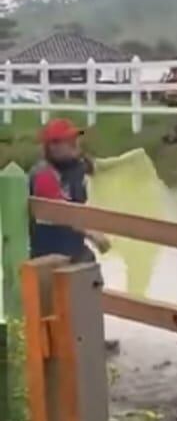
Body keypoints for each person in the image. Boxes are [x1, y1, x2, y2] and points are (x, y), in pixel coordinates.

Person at [29, 118, 118, 351]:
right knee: (58, 299)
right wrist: (93, 235)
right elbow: (61, 211)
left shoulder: (76, 167)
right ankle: (65, 345)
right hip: (49, 250)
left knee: (89, 284)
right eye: (70, 141)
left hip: (73, 245)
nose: (75, 144)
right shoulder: (44, 175)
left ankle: (91, 337)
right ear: (53, 147)